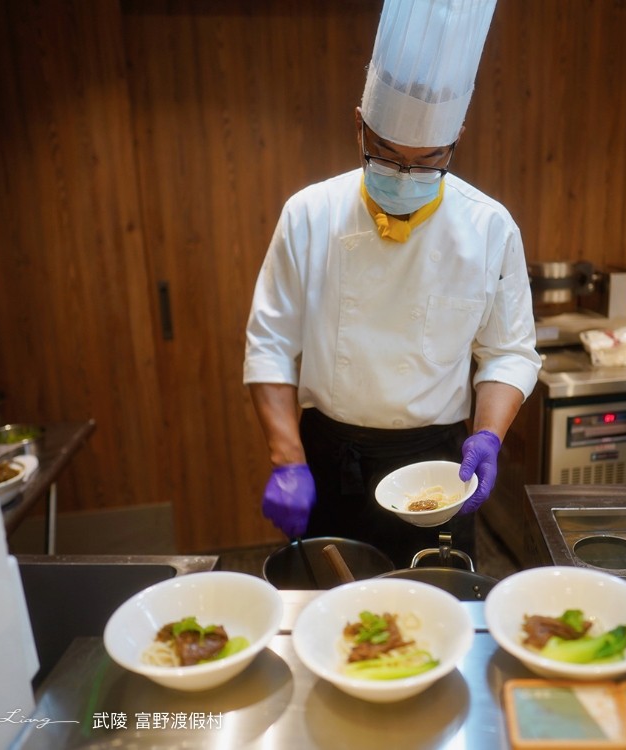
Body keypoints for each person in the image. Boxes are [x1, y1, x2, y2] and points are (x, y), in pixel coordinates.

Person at [243, 0, 540, 568]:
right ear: (359, 125)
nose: (405, 176)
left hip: (438, 468)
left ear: (455, 142)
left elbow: (508, 352)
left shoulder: (489, 227)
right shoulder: (309, 215)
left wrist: (489, 435)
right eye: (386, 156)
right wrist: (286, 458)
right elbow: (270, 344)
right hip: (332, 462)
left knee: (439, 603)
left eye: (427, 161)